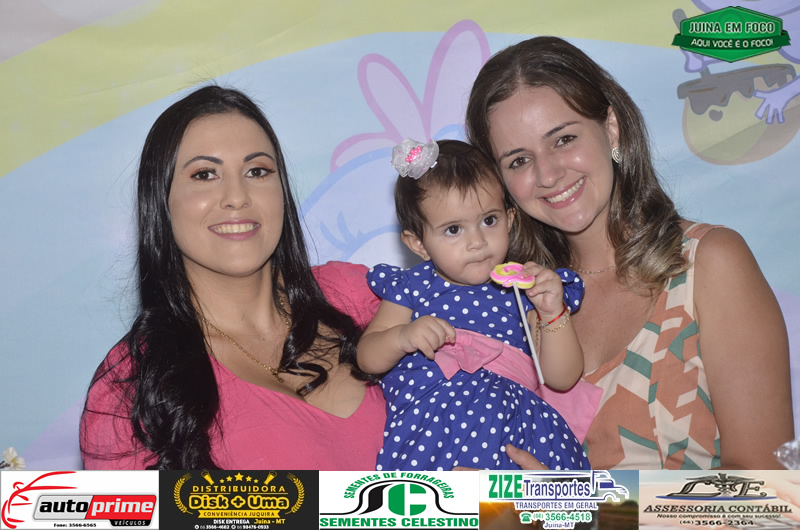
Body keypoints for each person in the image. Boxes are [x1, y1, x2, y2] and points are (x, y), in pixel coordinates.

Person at [465, 36, 794, 469]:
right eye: (518, 161)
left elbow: (769, 490)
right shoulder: (505, 303)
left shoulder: (708, 263)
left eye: (563, 139)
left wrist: (581, 501)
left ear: (612, 127)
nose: (547, 174)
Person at [80, 86, 385, 470]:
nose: (237, 197)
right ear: (161, 203)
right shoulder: (131, 388)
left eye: (257, 171)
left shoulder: (359, 296)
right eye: (205, 174)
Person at [357, 138, 600, 471]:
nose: (477, 242)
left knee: (556, 501)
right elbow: (367, 358)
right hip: (435, 429)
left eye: (489, 221)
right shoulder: (412, 286)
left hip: (518, 433)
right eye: (453, 229)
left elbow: (562, 378)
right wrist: (401, 337)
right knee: (431, 499)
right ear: (418, 243)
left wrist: (551, 312)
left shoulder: (522, 286)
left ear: (510, 220)